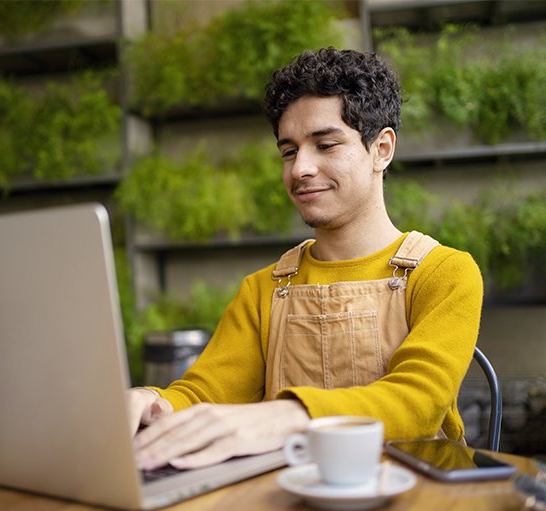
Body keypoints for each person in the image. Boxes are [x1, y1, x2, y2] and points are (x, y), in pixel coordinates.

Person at [127, 47, 483, 472]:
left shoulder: (444, 273)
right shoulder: (264, 289)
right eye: (289, 151)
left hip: (415, 503)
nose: (300, 169)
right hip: (291, 502)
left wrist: (288, 416)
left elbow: (417, 402)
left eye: (326, 145)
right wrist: (154, 402)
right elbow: (205, 394)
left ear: (381, 150)